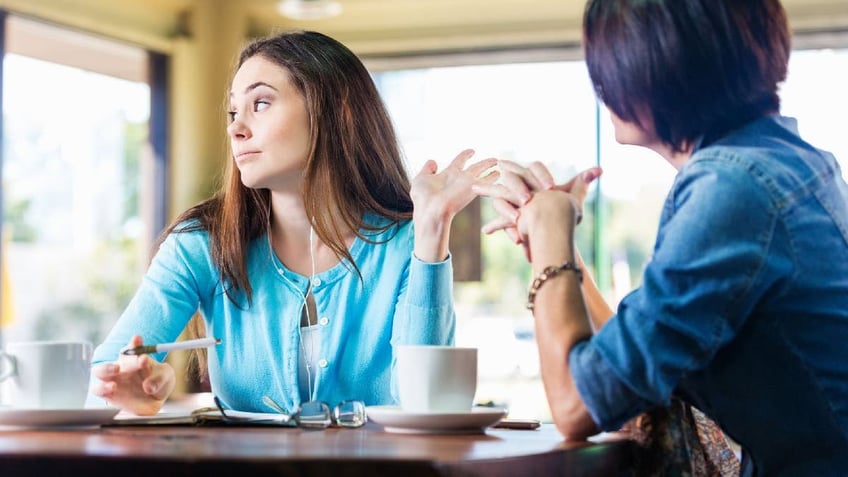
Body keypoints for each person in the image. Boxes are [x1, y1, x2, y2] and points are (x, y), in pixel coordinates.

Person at [474, 0, 848, 475]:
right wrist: (558, 244)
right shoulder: (783, 162)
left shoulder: (732, 191)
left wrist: (549, 230)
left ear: (660, 66)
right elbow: (628, 364)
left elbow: (576, 405)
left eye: (608, 64)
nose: (600, 86)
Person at [89, 30, 497, 417]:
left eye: (260, 103)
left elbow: (427, 402)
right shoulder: (201, 243)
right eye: (233, 111)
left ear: (338, 112)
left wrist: (431, 230)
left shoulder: (406, 245)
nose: (235, 127)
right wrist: (129, 385)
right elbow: (111, 366)